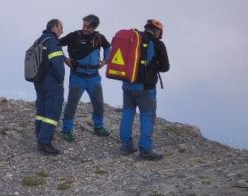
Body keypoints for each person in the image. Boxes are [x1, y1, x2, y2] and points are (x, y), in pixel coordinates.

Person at [119, 19, 170, 160]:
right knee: (147, 116)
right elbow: (165, 67)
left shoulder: (132, 39)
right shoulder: (158, 44)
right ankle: (146, 150)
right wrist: (153, 67)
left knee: (127, 114)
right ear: (158, 31)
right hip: (145, 88)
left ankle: (126, 146)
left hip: (127, 84)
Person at [59, 15, 112, 141]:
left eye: (88, 26)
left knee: (99, 104)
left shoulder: (99, 37)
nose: (85, 28)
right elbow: (56, 44)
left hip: (94, 77)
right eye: (84, 25)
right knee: (72, 104)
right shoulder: (74, 35)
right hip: (77, 76)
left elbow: (108, 47)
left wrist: (105, 61)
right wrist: (65, 59)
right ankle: (67, 130)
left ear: (94, 27)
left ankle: (98, 126)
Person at [34, 19, 66, 155]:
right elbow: (58, 64)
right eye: (61, 28)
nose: (62, 31)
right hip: (51, 82)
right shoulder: (53, 42)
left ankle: (40, 139)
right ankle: (45, 143)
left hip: (39, 81)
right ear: (54, 28)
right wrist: (60, 79)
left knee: (41, 112)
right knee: (52, 113)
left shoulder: (40, 40)